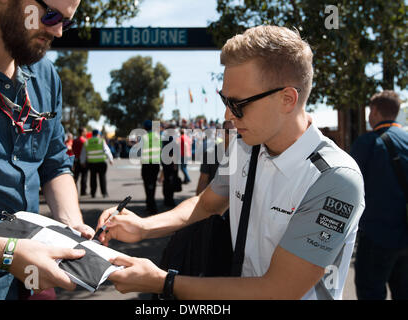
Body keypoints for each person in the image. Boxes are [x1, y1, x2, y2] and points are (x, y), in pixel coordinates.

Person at [96, 25, 365, 300]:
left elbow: (279, 290)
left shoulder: (334, 179)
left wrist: (164, 282)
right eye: (225, 99)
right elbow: (206, 204)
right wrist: (143, 227)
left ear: (287, 99)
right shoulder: (244, 147)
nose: (227, 114)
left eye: (238, 103)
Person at [0, 0, 95, 300]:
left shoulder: (47, 77)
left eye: (67, 22)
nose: (58, 31)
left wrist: (71, 224)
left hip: (29, 283)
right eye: (50, 15)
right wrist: (7, 253)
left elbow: (55, 165)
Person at [350, 90, 408, 300]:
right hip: (405, 234)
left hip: (376, 235)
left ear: (374, 111)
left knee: (370, 292)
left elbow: (348, 187)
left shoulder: (367, 143)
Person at [196, 120, 234, 195]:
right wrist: (197, 204)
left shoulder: (245, 153)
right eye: (228, 131)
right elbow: (203, 180)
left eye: (235, 132)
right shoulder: (210, 153)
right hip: (214, 201)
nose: (231, 135)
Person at [80, 129, 114, 198]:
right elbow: (107, 150)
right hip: (101, 163)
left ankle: (93, 193)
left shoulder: (87, 142)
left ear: (92, 134)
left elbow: (83, 153)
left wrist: (82, 162)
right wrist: (111, 159)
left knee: (93, 179)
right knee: (102, 178)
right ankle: (104, 193)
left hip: (91, 163)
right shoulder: (101, 141)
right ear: (98, 134)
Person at [140, 120, 161, 215]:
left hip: (146, 164)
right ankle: (151, 204)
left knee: (147, 184)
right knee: (153, 184)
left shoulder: (143, 137)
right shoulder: (157, 136)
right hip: (155, 164)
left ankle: (150, 205)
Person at [72, 127, 88, 196]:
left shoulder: (75, 140)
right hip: (83, 160)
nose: (86, 133)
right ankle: (83, 191)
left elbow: (73, 150)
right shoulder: (84, 141)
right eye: (85, 131)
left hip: (75, 160)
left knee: (76, 177)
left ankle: (75, 191)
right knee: (84, 176)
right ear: (82, 132)